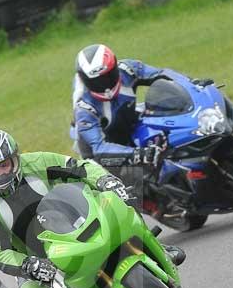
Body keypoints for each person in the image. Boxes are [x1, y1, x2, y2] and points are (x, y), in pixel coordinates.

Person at [0, 129, 185, 288]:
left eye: (4, 165)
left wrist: (106, 181)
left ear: (15, 159)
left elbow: (81, 167)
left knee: (121, 200)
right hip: (38, 255)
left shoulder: (38, 162)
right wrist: (27, 265)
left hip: (76, 219)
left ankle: (157, 247)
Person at [71, 43, 212, 213]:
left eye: (107, 76)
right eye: (96, 81)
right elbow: (99, 147)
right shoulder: (84, 107)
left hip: (128, 117)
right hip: (100, 147)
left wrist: (191, 83)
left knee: (163, 125)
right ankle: (142, 214)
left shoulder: (127, 69)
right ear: (85, 79)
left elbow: (161, 74)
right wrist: (136, 154)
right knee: (121, 190)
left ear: (114, 67)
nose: (104, 85)